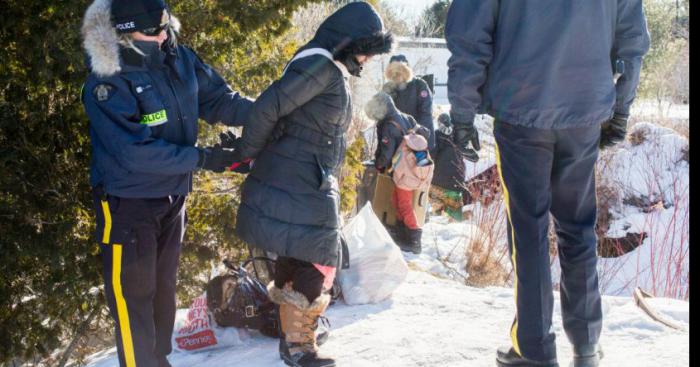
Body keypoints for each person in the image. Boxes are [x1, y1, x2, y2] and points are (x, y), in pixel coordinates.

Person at [445, 1, 649, 366]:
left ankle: (534, 349)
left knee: (529, 231)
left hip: (521, 110)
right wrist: (621, 108)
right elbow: (631, 37)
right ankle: (586, 344)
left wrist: (462, 113)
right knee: (578, 227)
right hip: (584, 110)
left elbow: (469, 36)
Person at [81, 0, 253, 365]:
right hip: (128, 202)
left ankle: (157, 359)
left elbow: (219, 99)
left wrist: (271, 111)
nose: (162, 37)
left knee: (161, 292)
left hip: (173, 196)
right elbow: (134, 152)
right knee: (134, 297)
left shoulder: (176, 55)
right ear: (124, 32)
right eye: (152, 32)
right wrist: (203, 158)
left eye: (165, 28)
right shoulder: (108, 79)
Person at [231, 3, 393, 366]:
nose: (366, 59)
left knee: (301, 251)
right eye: (366, 50)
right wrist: (246, 153)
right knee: (320, 255)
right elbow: (268, 107)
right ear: (347, 42)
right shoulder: (319, 67)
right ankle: (298, 344)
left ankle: (294, 341)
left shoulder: (326, 67)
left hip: (306, 177)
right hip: (298, 177)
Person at [365, 92, 432, 254]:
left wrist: (379, 165)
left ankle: (415, 240)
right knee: (397, 201)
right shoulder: (406, 117)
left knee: (404, 204)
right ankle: (404, 235)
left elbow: (387, 152)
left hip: (404, 172)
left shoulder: (389, 124)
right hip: (413, 168)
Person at [382, 54, 436, 149]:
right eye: (394, 72)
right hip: (396, 140)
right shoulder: (388, 88)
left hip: (419, 137)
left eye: (400, 71)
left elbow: (425, 113)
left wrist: (417, 134)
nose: (397, 75)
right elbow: (385, 115)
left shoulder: (419, 85)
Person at [429, 113, 466, 222]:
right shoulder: (458, 137)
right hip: (456, 183)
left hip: (437, 184)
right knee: (455, 221)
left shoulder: (436, 136)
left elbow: (431, 157)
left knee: (434, 221)